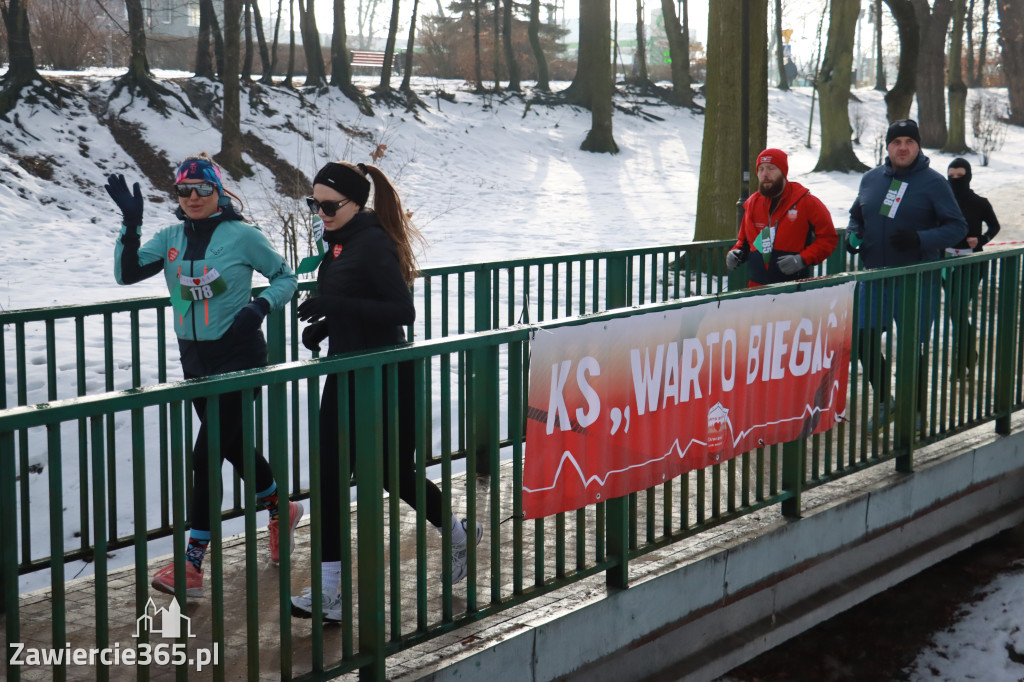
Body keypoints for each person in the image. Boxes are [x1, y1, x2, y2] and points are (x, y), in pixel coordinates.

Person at [290, 161, 482, 622]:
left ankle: (454, 535)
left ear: (357, 202)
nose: (322, 212)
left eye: (331, 204)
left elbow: (401, 311)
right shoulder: (339, 243)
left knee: (391, 472)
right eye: (315, 204)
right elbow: (361, 303)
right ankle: (333, 590)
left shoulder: (373, 242)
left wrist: (335, 305)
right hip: (349, 370)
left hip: (383, 376)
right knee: (337, 475)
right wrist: (328, 324)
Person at [106, 153, 303, 598]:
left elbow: (285, 277)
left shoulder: (242, 235)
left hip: (240, 357)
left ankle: (192, 564)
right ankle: (280, 509)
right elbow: (127, 274)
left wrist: (259, 307)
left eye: (202, 189)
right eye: (184, 190)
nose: (193, 198)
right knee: (230, 444)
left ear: (218, 192)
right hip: (194, 360)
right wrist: (130, 226)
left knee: (206, 454)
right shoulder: (170, 236)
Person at [847, 119, 967, 430]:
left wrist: (920, 239)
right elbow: (856, 216)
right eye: (896, 141)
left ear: (918, 146)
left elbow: (958, 227)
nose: (903, 147)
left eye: (909, 142)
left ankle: (914, 409)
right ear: (887, 146)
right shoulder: (871, 180)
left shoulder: (934, 183)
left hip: (917, 280)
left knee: (914, 346)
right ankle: (887, 400)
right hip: (875, 278)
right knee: (862, 341)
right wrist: (853, 235)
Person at [726, 148, 838, 287]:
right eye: (760, 169)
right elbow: (744, 241)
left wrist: (802, 259)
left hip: (794, 289)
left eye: (771, 168)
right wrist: (736, 253)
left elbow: (828, 238)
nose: (765, 174)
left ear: (783, 172)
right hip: (756, 289)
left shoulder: (806, 201)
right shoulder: (752, 204)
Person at [945, 157, 1000, 377]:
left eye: (960, 176)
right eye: (951, 176)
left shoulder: (980, 202)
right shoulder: (942, 201)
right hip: (946, 263)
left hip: (972, 262)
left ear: (968, 176)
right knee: (954, 311)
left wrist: (982, 239)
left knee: (957, 309)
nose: (956, 180)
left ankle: (962, 361)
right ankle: (969, 356)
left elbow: (995, 226)